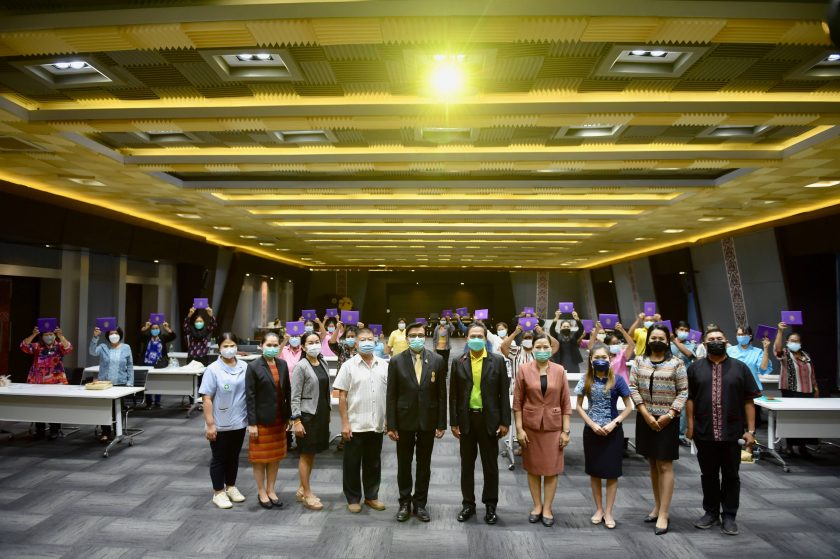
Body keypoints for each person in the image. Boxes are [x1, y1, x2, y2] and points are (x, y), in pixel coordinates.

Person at [686, 327, 760, 537]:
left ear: (726, 342)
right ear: (704, 343)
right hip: (704, 431)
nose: (715, 341)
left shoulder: (740, 368)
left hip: (732, 432)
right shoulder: (695, 368)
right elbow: (690, 399)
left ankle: (729, 515)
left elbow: (749, 400)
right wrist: (690, 426)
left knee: (731, 475)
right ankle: (710, 513)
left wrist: (751, 431)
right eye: (711, 339)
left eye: (719, 338)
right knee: (708, 475)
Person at [629, 324, 687, 536]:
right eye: (654, 337)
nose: (657, 341)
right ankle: (657, 506)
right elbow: (633, 387)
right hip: (645, 418)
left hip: (667, 420)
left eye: (661, 338)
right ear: (648, 339)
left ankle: (664, 513)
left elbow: (683, 392)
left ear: (667, 341)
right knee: (652, 463)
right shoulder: (639, 361)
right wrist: (645, 413)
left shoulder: (676, 363)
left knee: (665, 465)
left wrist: (669, 415)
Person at [450, 323, 510, 525]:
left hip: (489, 420)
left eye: (480, 336)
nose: (476, 339)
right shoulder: (458, 362)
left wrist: (505, 421)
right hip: (466, 420)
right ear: (467, 339)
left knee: (490, 466)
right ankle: (468, 504)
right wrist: (453, 422)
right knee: (466, 466)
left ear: (485, 339)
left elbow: (504, 394)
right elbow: (453, 396)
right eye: (472, 336)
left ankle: (491, 505)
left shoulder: (497, 361)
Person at [386, 322, 446, 522]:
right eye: (413, 335)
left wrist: (441, 423)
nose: (417, 338)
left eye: (420, 335)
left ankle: (420, 503)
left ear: (425, 336)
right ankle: (404, 502)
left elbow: (442, 394)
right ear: (407, 338)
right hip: (404, 421)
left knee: (424, 464)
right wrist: (391, 424)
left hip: (428, 420)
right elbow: (391, 395)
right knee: (404, 464)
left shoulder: (437, 360)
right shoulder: (396, 361)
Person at [513, 333, 571, 527]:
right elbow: (517, 402)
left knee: (552, 470)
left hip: (554, 427)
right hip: (531, 427)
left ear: (551, 349)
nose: (542, 350)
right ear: (532, 348)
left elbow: (566, 403)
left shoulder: (559, 370)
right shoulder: (524, 369)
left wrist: (566, 431)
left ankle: (547, 508)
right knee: (533, 469)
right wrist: (519, 429)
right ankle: (537, 506)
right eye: (538, 347)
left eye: (545, 347)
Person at [575, 343, 633, 530]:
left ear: (610, 359)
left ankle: (609, 511)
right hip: (591, 431)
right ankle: (599, 509)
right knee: (594, 472)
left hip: (613, 431)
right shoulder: (585, 379)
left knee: (612, 473)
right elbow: (578, 406)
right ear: (591, 360)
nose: (600, 360)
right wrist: (591, 424)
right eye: (597, 357)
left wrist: (613, 423)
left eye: (604, 357)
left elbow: (629, 407)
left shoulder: (618, 380)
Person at [334, 327, 388, 513]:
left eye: (370, 339)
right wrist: (344, 423)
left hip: (376, 423)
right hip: (355, 424)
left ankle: (371, 496)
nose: (367, 343)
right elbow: (342, 397)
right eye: (363, 340)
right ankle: (353, 498)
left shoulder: (384, 365)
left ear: (375, 341)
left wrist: (388, 419)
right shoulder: (348, 366)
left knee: (373, 463)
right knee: (352, 464)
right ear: (356, 344)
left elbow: (389, 395)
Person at [200, 333, 249, 509]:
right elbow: (206, 399)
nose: (229, 349)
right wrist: (210, 424)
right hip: (219, 422)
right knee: (219, 457)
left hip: (239, 420)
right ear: (219, 348)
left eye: (232, 345)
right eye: (225, 346)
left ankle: (231, 486)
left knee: (234, 456)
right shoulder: (212, 369)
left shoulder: (244, 366)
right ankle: (218, 492)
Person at [245, 332, 291, 509]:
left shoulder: (282, 364)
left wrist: (288, 416)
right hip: (261, 420)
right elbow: (250, 397)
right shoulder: (253, 366)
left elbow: (287, 392)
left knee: (275, 457)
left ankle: (271, 489)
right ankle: (261, 491)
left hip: (279, 419)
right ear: (261, 346)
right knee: (260, 459)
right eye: (268, 345)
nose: (272, 348)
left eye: (275, 345)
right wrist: (252, 423)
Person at [291, 332, 332, 510]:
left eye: (317, 341)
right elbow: (294, 396)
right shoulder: (301, 366)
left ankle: (302, 488)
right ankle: (307, 494)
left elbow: (325, 390)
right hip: (306, 416)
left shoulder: (322, 361)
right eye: (310, 342)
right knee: (305, 454)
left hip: (321, 413)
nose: (314, 345)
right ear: (303, 346)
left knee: (312, 453)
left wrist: (328, 411)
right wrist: (296, 420)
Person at [20, 323, 73, 439]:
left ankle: (55, 429)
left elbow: (68, 348)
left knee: (55, 405)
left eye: (51, 334)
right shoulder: (37, 346)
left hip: (56, 380)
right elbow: (24, 346)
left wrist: (61, 336)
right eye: (46, 334)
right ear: (42, 336)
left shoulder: (59, 346)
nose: (49, 337)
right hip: (38, 379)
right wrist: (33, 334)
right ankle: (40, 429)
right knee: (38, 404)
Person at [774, 322, 819, 457]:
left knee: (805, 420)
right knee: (791, 419)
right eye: (792, 341)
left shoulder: (806, 355)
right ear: (787, 342)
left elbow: (811, 373)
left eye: (797, 341)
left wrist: (815, 387)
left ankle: (802, 446)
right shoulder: (785, 353)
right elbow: (777, 349)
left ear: (800, 343)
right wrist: (780, 331)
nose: (794, 343)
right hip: (791, 391)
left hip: (807, 391)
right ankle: (789, 446)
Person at [89, 325, 133, 442]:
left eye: (116, 333)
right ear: (107, 336)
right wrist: (95, 337)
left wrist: (130, 382)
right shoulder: (103, 347)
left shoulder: (126, 347)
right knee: (105, 408)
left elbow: (130, 366)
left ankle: (118, 432)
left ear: (120, 335)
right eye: (111, 333)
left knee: (118, 409)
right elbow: (92, 352)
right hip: (105, 384)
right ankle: (105, 432)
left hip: (121, 383)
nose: (114, 336)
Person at [672, 321, 697, 446]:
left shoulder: (691, 344)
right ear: (676, 330)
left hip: (684, 380)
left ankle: (680, 435)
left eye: (686, 330)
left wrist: (674, 341)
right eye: (681, 329)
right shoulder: (668, 344)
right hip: (669, 379)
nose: (684, 332)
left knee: (682, 409)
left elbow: (689, 355)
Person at [139, 320, 176, 408]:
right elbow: (137, 337)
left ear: (159, 329)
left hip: (159, 364)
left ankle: (157, 402)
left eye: (156, 328)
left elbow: (173, 336)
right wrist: (144, 328)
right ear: (150, 330)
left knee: (158, 382)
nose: (155, 330)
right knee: (148, 383)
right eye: (153, 328)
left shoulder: (163, 338)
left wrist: (167, 328)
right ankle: (149, 403)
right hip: (147, 363)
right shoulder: (147, 338)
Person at [727, 325, 772, 391]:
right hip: (733, 388)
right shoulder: (729, 351)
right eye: (739, 334)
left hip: (752, 388)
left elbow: (763, 369)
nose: (741, 336)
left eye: (744, 334)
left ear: (750, 336)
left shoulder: (758, 352)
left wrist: (766, 348)